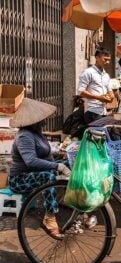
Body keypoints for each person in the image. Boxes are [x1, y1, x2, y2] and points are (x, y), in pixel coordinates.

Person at [8, 98, 72, 239]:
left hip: (34, 173)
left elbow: (46, 155)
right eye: (41, 119)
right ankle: (49, 217)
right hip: (20, 179)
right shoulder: (25, 136)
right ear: (33, 121)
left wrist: (63, 162)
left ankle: (67, 201)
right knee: (48, 178)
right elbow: (31, 161)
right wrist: (57, 166)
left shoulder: (37, 133)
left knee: (69, 165)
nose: (44, 121)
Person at [78, 47, 115, 125]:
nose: (107, 62)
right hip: (92, 111)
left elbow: (110, 92)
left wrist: (111, 97)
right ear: (97, 58)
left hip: (103, 111)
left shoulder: (106, 75)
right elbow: (81, 92)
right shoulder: (88, 72)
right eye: (105, 59)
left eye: (109, 60)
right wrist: (98, 97)